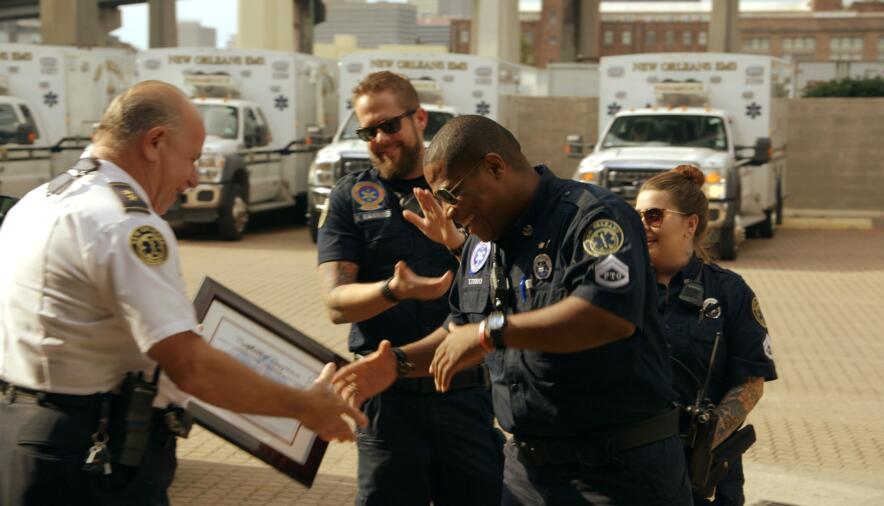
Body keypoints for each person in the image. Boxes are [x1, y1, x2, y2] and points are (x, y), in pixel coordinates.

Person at [0, 81, 366, 506]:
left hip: (24, 435)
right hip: (89, 459)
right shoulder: (127, 224)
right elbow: (190, 366)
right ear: (154, 142)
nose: (193, 178)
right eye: (191, 159)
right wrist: (303, 406)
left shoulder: (41, 199)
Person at [335, 114, 693, 505]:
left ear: (494, 166)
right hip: (528, 475)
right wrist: (395, 364)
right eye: (441, 200)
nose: (450, 213)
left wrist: (493, 331)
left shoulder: (591, 217)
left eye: (453, 194)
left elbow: (607, 315)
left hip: (619, 475)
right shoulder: (480, 246)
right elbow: (460, 330)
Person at [316, 72, 504, 506]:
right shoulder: (351, 196)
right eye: (368, 130)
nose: (380, 138)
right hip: (385, 404)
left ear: (419, 118)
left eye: (389, 125)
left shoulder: (463, 191)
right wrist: (392, 290)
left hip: (465, 393)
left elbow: (501, 280)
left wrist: (456, 244)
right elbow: (335, 305)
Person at [635, 165, 778, 506]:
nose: (642, 225)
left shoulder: (729, 292)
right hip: (630, 469)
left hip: (704, 475)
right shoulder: (620, 286)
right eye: (636, 214)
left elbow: (751, 383)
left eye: (654, 215)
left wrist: (700, 442)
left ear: (690, 224)